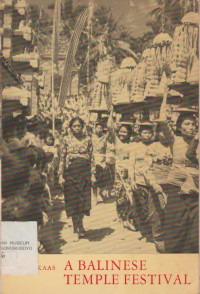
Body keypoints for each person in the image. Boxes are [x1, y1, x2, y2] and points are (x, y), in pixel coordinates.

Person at [159, 93, 199, 253]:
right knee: (177, 224)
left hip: (195, 189)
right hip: (176, 187)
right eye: (187, 124)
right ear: (179, 126)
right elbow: (162, 120)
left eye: (194, 124)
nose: (191, 127)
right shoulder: (174, 140)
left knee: (195, 226)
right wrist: (164, 98)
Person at [129, 122, 164, 253]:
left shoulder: (156, 146)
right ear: (140, 134)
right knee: (142, 209)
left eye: (149, 133)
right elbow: (131, 164)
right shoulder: (135, 147)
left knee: (153, 210)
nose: (147, 135)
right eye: (144, 133)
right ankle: (146, 232)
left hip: (154, 183)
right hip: (139, 182)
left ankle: (155, 234)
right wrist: (131, 180)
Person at [59, 117, 93, 241]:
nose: (77, 128)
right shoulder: (66, 139)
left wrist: (93, 174)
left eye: (79, 126)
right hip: (70, 174)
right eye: (74, 126)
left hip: (84, 174)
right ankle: (75, 229)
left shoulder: (88, 139)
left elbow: (92, 156)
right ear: (71, 127)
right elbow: (62, 158)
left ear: (83, 126)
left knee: (83, 201)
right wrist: (61, 175)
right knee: (73, 201)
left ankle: (81, 225)